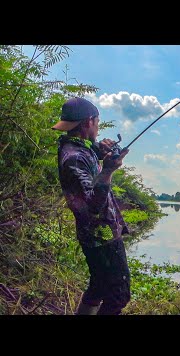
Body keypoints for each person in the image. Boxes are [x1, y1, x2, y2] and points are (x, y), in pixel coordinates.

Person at [52, 97, 131, 315]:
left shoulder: (75, 147)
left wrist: (99, 149)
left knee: (98, 287)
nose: (97, 127)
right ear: (88, 122)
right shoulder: (74, 158)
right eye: (97, 122)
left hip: (95, 233)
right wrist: (107, 171)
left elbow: (87, 158)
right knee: (119, 295)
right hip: (100, 234)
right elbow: (93, 204)